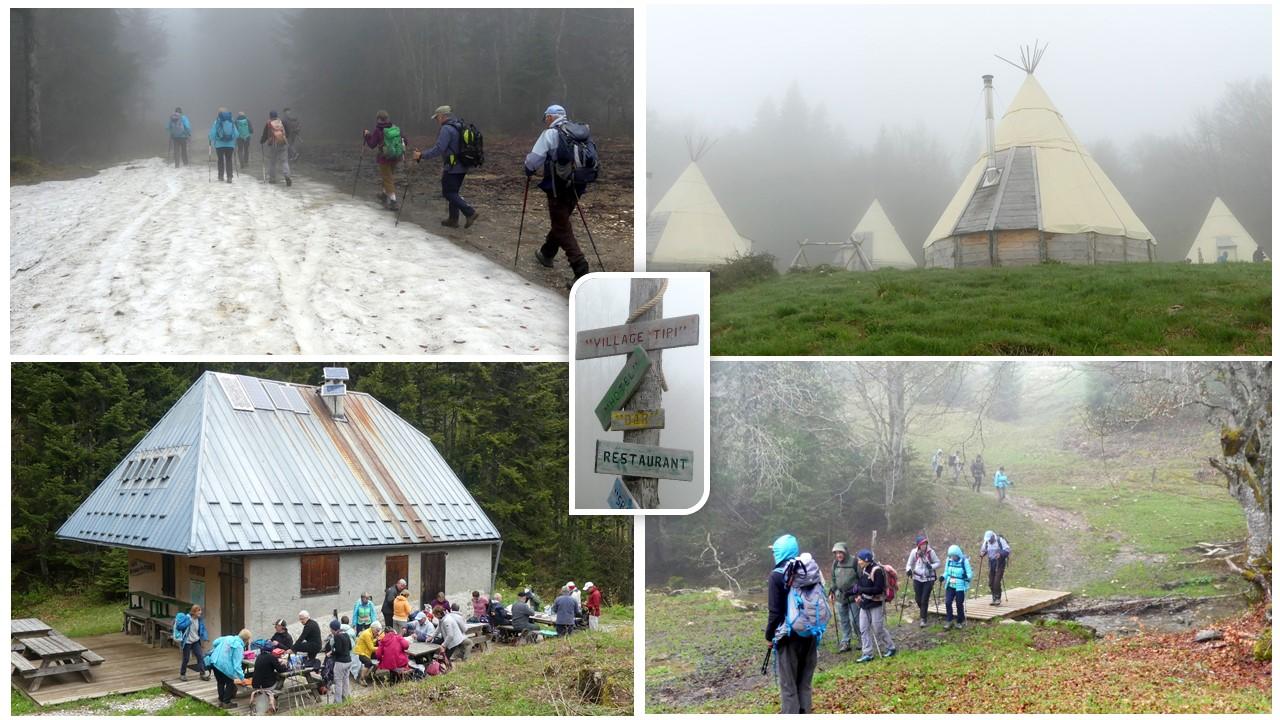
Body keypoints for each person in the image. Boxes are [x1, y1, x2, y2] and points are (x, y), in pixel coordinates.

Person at [524, 104, 590, 285]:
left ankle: (581, 269)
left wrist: (528, 169)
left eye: (546, 117)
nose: (545, 121)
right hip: (579, 183)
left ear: (551, 117)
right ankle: (547, 253)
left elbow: (534, 159)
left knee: (561, 225)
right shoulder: (579, 131)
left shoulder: (551, 134)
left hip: (557, 186)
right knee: (561, 220)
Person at [765, 534, 817, 714]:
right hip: (810, 633)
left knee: (788, 686)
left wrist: (769, 636)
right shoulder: (808, 570)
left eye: (775, 551)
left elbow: (775, 612)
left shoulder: (776, 576)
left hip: (788, 637)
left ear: (780, 552)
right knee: (804, 683)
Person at [412, 105, 479, 228]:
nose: (436, 120)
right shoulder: (460, 125)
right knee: (453, 192)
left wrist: (421, 155)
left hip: (453, 166)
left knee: (448, 193)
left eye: (437, 117)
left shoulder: (446, 129)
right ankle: (453, 220)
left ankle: (470, 212)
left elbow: (439, 149)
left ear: (442, 116)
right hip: (464, 164)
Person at [852, 549, 896, 663]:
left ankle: (890, 647)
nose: (858, 562)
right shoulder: (864, 569)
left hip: (876, 603)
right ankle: (867, 653)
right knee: (863, 629)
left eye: (860, 559)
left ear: (866, 560)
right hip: (864, 603)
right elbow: (861, 585)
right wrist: (855, 592)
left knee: (878, 628)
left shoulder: (877, 571)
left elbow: (877, 589)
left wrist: (861, 589)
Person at [363, 110, 403, 210]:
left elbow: (372, 144)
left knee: (388, 178)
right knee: (388, 176)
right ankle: (384, 194)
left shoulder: (378, 130)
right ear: (387, 118)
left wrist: (367, 136)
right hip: (395, 156)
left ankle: (394, 201)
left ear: (378, 119)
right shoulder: (394, 127)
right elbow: (404, 139)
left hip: (384, 158)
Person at [205, 628, 251, 709]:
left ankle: (221, 700)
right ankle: (226, 702)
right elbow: (237, 666)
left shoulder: (228, 637)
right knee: (230, 683)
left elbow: (215, 642)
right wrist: (242, 679)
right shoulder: (239, 647)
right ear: (246, 640)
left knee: (220, 682)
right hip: (224, 666)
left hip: (214, 662)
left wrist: (220, 649)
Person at [828, 541, 859, 653]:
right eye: (836, 553)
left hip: (853, 596)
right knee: (843, 620)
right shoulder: (835, 563)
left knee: (855, 620)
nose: (838, 555)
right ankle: (846, 642)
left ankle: (861, 639)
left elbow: (861, 579)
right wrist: (831, 590)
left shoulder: (855, 562)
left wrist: (858, 592)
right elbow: (833, 579)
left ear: (845, 552)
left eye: (840, 552)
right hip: (840, 596)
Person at [905, 536, 941, 628]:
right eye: (922, 544)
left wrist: (931, 567)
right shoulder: (914, 552)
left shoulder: (930, 552)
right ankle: (924, 611)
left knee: (924, 598)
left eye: (925, 543)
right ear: (918, 545)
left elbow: (938, 562)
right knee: (918, 599)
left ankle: (923, 619)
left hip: (929, 578)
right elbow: (909, 564)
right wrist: (908, 570)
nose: (924, 545)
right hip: (917, 578)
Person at [941, 544, 973, 630]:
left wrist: (966, 575)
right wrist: (943, 577)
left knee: (959, 603)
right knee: (948, 602)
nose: (953, 557)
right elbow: (946, 572)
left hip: (960, 586)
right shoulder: (949, 560)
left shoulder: (964, 561)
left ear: (958, 554)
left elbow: (970, 574)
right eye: (951, 555)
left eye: (954, 555)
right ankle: (949, 620)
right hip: (950, 585)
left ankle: (960, 621)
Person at [175, 604, 208, 681]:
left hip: (196, 641)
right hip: (187, 642)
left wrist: (205, 637)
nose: (200, 612)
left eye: (200, 611)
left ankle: (202, 674)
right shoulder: (187, 618)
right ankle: (182, 674)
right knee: (186, 659)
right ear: (194, 612)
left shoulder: (199, 620)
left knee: (200, 656)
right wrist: (188, 623)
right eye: (198, 611)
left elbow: (202, 629)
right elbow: (179, 627)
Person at [259, 110, 292, 186]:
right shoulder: (282, 122)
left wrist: (262, 141)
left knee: (273, 163)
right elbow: (288, 132)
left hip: (273, 145)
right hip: (282, 144)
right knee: (284, 161)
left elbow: (265, 135)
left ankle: (272, 179)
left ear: (270, 116)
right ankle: (287, 176)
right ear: (277, 115)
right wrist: (284, 138)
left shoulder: (268, 123)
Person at [979, 530, 1011, 606]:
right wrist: (982, 554)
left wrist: (1000, 554)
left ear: (993, 537)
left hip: (1000, 563)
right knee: (990, 582)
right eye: (988, 540)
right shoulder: (986, 542)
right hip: (991, 563)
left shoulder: (1000, 540)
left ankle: (997, 598)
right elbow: (984, 550)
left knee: (996, 581)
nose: (989, 541)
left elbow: (1007, 550)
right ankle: (994, 598)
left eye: (990, 539)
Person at [251, 647, 287, 713]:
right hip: (267, 686)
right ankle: (274, 697)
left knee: (272, 675)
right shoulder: (271, 657)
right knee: (282, 677)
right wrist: (284, 665)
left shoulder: (259, 657)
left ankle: (269, 698)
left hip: (255, 685)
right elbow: (281, 670)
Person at [208, 107, 238, 183]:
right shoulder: (231, 121)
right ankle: (229, 177)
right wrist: (232, 139)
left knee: (220, 160)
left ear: (218, 114)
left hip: (219, 145)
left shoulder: (217, 122)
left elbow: (212, 134)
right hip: (230, 145)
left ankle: (221, 176)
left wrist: (211, 138)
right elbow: (237, 134)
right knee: (229, 160)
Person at [327, 619, 354, 703]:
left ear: (333, 629)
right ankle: (346, 698)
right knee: (346, 680)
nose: (330, 630)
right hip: (349, 661)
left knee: (338, 681)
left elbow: (338, 650)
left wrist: (331, 652)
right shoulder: (346, 634)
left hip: (340, 662)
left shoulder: (337, 636)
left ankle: (337, 701)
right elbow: (350, 647)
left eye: (331, 629)